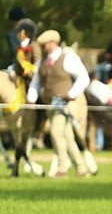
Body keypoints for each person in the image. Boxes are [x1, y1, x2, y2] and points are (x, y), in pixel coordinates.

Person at [27, 29, 91, 177]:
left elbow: (83, 77)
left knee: (56, 132)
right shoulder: (42, 61)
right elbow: (36, 83)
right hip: (49, 104)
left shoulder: (67, 58)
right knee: (67, 136)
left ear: (53, 43)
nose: (42, 48)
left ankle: (63, 167)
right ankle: (81, 167)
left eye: (45, 45)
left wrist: (71, 94)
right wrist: (31, 98)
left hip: (63, 104)